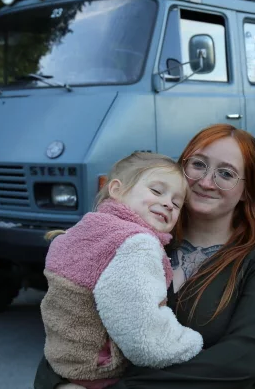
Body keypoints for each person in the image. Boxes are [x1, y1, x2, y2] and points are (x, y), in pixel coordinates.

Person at [34, 123, 255, 389]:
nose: (206, 182)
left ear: (246, 191)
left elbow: (244, 359)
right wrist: (56, 382)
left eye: (226, 174)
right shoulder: (130, 237)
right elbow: (70, 317)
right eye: (198, 164)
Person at [40, 152, 202, 389]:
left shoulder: (82, 231)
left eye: (177, 203)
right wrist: (193, 344)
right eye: (157, 191)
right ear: (116, 190)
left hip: (65, 364)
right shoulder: (136, 244)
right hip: (101, 372)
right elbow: (143, 336)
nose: (168, 203)